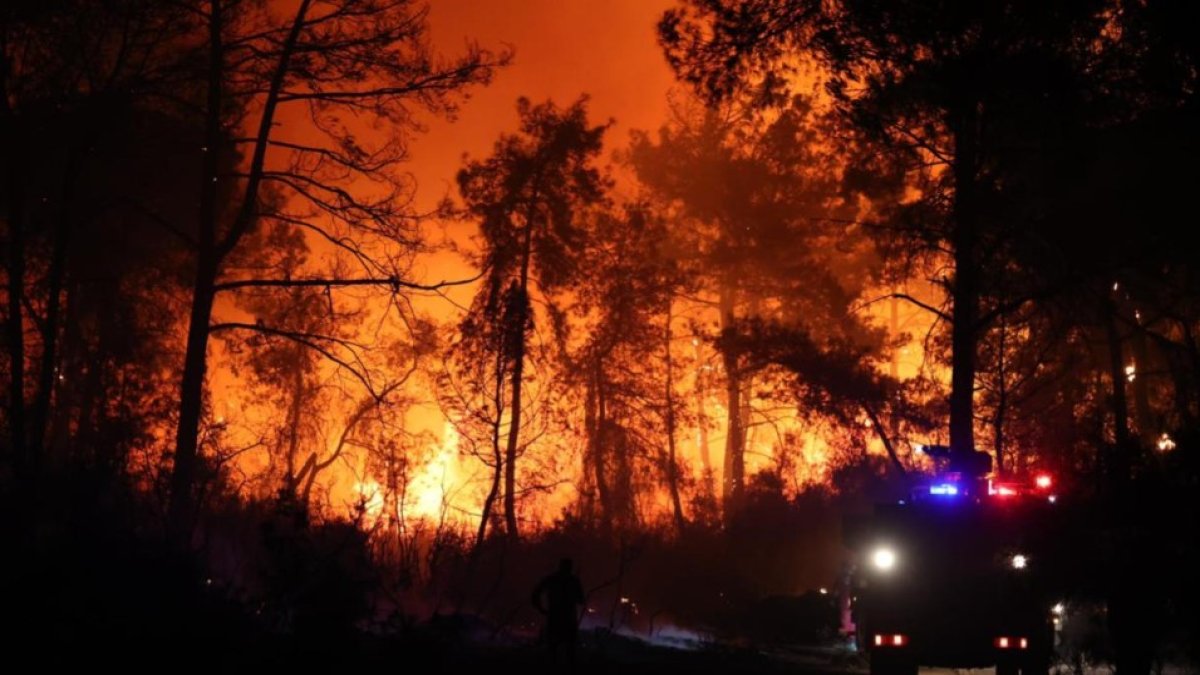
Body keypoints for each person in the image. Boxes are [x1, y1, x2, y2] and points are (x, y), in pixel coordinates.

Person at [531, 557, 585, 665]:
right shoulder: (573, 580)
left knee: (553, 649)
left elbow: (536, 593)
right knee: (569, 650)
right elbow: (581, 600)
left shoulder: (552, 579)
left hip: (555, 617)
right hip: (568, 619)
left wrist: (541, 609)